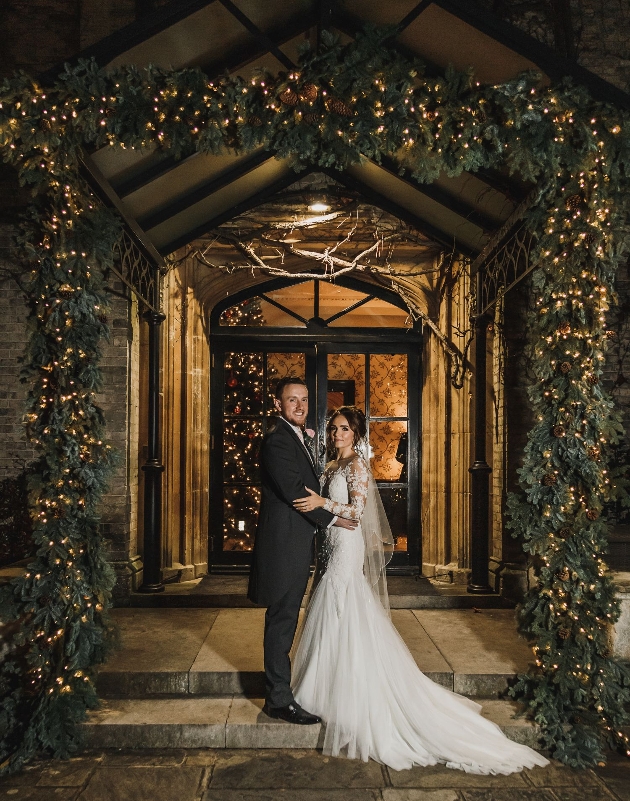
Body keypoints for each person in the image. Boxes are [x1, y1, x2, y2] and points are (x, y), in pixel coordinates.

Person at [291, 406, 549, 774]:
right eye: (334, 429)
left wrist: (321, 503)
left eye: (344, 429)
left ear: (357, 434)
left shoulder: (358, 467)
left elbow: (358, 509)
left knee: (343, 605)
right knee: (331, 608)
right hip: (332, 543)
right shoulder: (331, 466)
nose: (336, 434)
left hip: (348, 547)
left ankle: (348, 695)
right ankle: (326, 689)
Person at [247, 377, 358, 725]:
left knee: (286, 619)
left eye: (304, 400)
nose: (299, 406)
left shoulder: (295, 436)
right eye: (291, 400)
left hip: (296, 544)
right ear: (278, 404)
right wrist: (333, 520)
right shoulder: (277, 439)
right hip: (283, 547)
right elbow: (296, 492)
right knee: (281, 621)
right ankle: (278, 700)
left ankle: (284, 690)